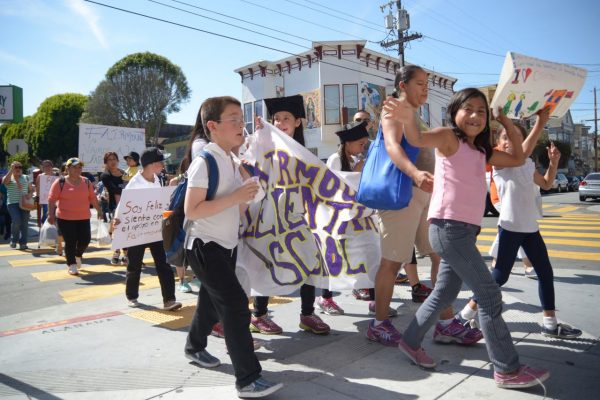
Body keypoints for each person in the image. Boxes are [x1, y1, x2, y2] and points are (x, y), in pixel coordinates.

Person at [385, 86, 549, 389]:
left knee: (444, 293)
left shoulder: (482, 151)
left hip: (462, 233)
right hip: (448, 229)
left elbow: (520, 156)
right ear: (454, 113)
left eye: (482, 112)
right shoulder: (449, 138)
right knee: (488, 295)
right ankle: (507, 370)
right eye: (469, 109)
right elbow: (416, 138)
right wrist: (408, 114)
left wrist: (515, 123)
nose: (475, 116)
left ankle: (410, 341)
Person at [183, 96, 283, 398]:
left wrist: (249, 186)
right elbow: (192, 210)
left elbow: (250, 196)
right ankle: (248, 379)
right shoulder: (206, 161)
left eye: (242, 119)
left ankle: (194, 347)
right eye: (234, 119)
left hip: (225, 245)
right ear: (213, 126)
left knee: (210, 303)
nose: (241, 125)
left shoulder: (231, 159)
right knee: (236, 306)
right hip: (204, 246)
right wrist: (237, 198)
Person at [465, 109, 582, 340]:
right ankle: (465, 314)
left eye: (515, 137)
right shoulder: (498, 160)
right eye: (505, 137)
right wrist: (539, 122)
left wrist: (554, 162)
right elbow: (522, 152)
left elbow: (547, 184)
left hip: (530, 228)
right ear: (498, 142)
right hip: (510, 227)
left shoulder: (527, 163)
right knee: (499, 277)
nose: (510, 141)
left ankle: (550, 322)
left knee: (546, 273)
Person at [251, 94, 331, 335]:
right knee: (267, 264)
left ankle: (307, 314)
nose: (280, 122)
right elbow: (250, 166)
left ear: (298, 122)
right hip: (267, 217)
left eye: (286, 118)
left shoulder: (303, 153)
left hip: (296, 217)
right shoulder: (265, 145)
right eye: (276, 119)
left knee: (310, 260)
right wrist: (258, 138)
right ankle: (259, 316)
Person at [113, 148, 182, 312]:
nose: (163, 165)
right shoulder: (134, 184)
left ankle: (169, 300)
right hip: (137, 232)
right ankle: (132, 295)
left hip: (155, 230)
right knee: (134, 264)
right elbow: (124, 205)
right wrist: (118, 219)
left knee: (164, 264)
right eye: (160, 162)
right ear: (150, 164)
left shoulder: (157, 179)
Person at [47, 158, 102, 276]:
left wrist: (99, 210)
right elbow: (51, 200)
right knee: (70, 241)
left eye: (79, 167)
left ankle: (78, 255)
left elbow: (92, 197)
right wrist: (50, 214)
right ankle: (71, 264)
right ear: (67, 169)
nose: (78, 169)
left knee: (85, 240)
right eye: (74, 167)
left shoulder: (86, 182)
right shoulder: (60, 182)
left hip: (83, 217)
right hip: (65, 218)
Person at [100, 152, 127, 265]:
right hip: (114, 207)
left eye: (114, 159)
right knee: (117, 230)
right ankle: (116, 253)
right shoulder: (105, 175)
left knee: (126, 230)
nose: (112, 161)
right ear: (106, 162)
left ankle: (126, 255)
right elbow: (114, 189)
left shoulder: (124, 173)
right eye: (110, 159)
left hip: (128, 206)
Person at [2, 161, 33, 249]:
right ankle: (14, 240)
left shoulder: (26, 177)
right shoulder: (9, 177)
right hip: (13, 203)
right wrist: (11, 170)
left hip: (25, 203)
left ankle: (23, 242)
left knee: (24, 223)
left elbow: (31, 189)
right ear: (12, 168)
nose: (18, 169)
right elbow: (4, 182)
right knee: (16, 221)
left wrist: (30, 194)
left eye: (20, 167)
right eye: (16, 167)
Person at [35, 160, 57, 224]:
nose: (46, 168)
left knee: (55, 215)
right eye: (44, 166)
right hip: (45, 200)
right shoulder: (40, 176)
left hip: (55, 199)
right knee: (46, 214)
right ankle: (45, 230)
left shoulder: (57, 175)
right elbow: (38, 188)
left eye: (48, 166)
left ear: (52, 166)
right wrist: (38, 199)